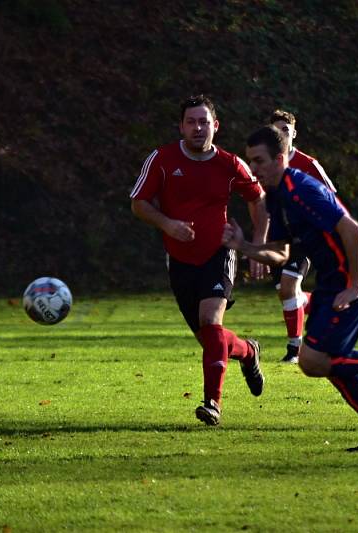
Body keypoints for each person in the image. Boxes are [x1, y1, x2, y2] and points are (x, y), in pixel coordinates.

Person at [222, 125, 358, 451]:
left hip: (352, 277)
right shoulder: (276, 196)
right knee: (328, 362)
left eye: (258, 161)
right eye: (250, 161)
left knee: (314, 361)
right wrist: (244, 246)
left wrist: (354, 285)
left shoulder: (301, 189)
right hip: (332, 280)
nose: (253, 168)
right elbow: (283, 254)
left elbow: (353, 230)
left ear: (280, 158)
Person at [130, 95, 269, 427]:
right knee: (211, 339)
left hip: (218, 253)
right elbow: (138, 202)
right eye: (191, 122)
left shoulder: (230, 164)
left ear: (215, 126)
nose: (197, 128)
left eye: (204, 121)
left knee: (211, 322)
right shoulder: (162, 159)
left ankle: (212, 405)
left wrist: (258, 243)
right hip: (179, 261)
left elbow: (258, 198)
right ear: (181, 126)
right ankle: (248, 352)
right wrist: (167, 224)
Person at [268, 110, 337, 364]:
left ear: (294, 134)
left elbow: (331, 197)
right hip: (278, 239)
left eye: (286, 130)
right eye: (276, 130)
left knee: (288, 287)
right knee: (287, 294)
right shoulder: (266, 163)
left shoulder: (308, 164)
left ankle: (294, 349)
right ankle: (320, 303)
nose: (281, 135)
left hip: (305, 239)